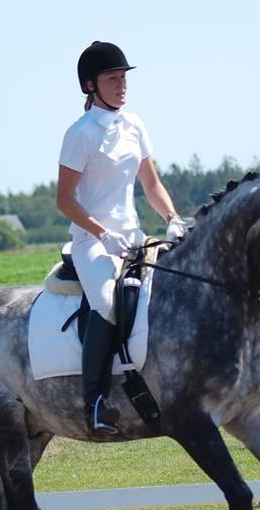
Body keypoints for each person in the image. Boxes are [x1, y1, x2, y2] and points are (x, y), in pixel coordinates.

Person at [57, 41, 185, 436]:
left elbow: (151, 184)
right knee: (108, 303)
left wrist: (172, 218)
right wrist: (101, 233)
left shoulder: (135, 125)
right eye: (112, 78)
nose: (122, 85)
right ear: (90, 85)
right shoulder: (80, 134)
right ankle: (94, 402)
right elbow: (64, 200)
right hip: (92, 241)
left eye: (124, 78)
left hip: (133, 236)